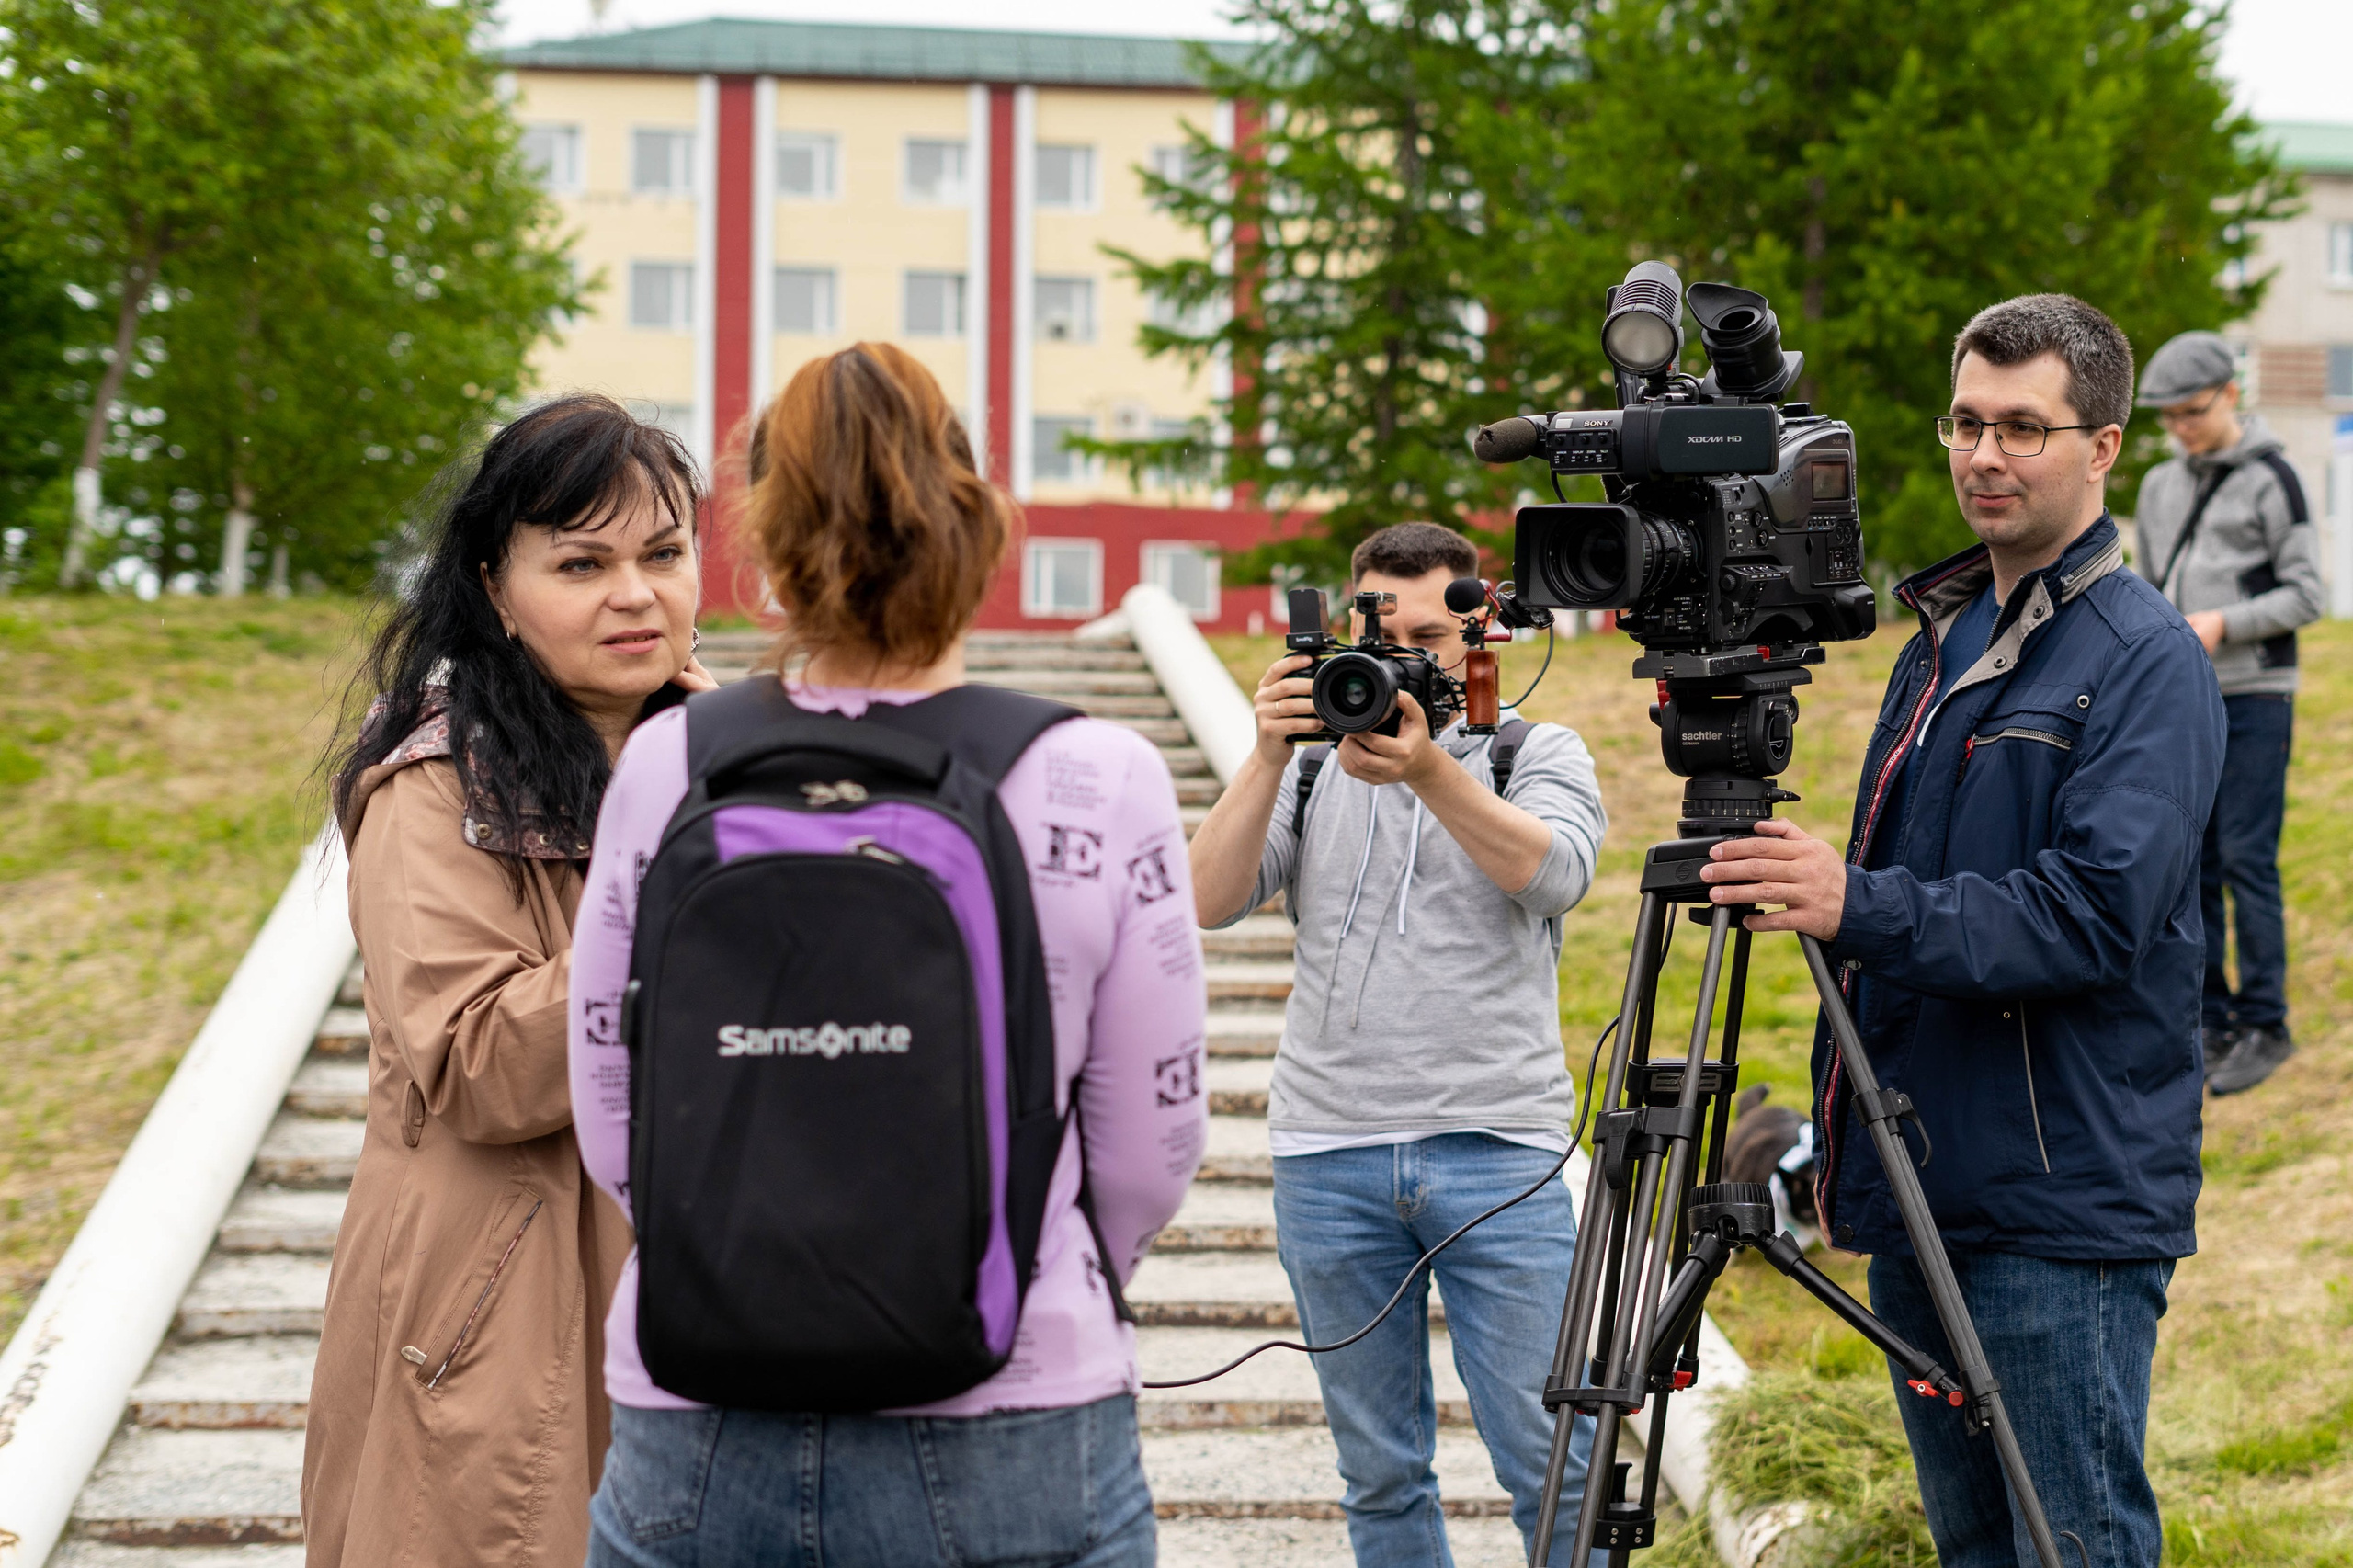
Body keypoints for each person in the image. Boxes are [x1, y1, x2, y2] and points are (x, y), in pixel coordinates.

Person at [568, 341, 1208, 1568]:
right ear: (976, 515)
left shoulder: (669, 761)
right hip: (1014, 1413)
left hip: (700, 1405)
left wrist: (753, 1250)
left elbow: (614, 1106)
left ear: (762, 533)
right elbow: (1153, 1141)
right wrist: (1029, 1259)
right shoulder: (1097, 774)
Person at [1702, 295, 2224, 1567]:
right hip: (1926, 1180)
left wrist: (1858, 902)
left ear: (2103, 446)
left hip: (2055, 1202)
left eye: (2024, 429)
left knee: (2073, 1542)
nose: (1985, 455)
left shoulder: (2144, 657)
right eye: (1967, 422)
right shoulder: (1943, 637)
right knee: (1974, 1545)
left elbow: (2095, 911)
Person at [307, 395, 715, 1567]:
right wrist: (678, 852)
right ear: (494, 587)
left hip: (704, 1294)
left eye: (663, 554)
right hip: (496, 1307)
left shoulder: (731, 756)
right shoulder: (431, 785)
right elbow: (481, 1062)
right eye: (581, 562)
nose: (634, 595)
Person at [1189, 521, 1608, 1567]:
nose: (1399, 655)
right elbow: (1206, 898)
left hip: (1497, 1153)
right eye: (1378, 630)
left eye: (1428, 632)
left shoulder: (1533, 749)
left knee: (1553, 1457)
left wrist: (1428, 767)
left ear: (1482, 631)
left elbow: (1553, 874)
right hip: (1328, 1152)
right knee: (1379, 1476)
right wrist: (1267, 750)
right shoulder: (1309, 768)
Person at [2131, 330, 2323, 1096]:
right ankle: (2210, 1020)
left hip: (2257, 695)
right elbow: (2148, 581)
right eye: (2170, 416)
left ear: (2231, 394)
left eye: (2193, 412)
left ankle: (2268, 1023)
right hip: (2186, 700)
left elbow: (2310, 594)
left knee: (2249, 859)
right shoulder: (2156, 485)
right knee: (2192, 863)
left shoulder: (2276, 478)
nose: (2181, 427)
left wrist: (2222, 623)